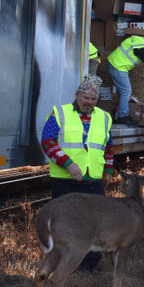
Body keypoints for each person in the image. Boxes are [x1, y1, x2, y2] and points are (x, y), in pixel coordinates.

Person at [40, 75, 115, 272]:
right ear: (77, 95)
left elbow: (108, 148)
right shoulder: (59, 113)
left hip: (93, 182)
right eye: (86, 98)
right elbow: (47, 141)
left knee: (95, 225)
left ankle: (90, 265)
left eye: (93, 99)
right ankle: (61, 263)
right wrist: (68, 164)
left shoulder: (104, 117)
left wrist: (108, 171)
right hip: (65, 180)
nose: (89, 102)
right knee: (64, 225)